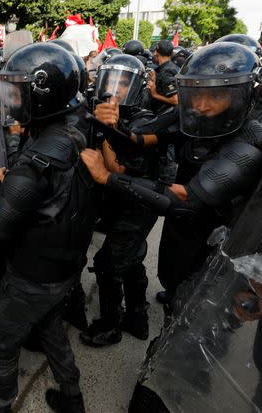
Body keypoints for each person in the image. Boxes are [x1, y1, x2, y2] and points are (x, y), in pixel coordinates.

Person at [0, 43, 99, 413]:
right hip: (64, 265)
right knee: (51, 329)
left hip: (34, 274)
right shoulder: (74, 132)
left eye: (18, 91)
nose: (12, 100)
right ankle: (72, 398)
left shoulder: (36, 161)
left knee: (1, 338)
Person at [81, 42, 262, 309]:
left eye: (217, 95)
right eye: (197, 93)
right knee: (176, 294)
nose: (202, 105)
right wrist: (111, 126)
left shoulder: (248, 144)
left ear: (242, 94)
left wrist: (107, 177)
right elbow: (143, 139)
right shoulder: (194, 120)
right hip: (188, 234)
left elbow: (185, 198)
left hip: (222, 252)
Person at [79, 53, 170, 348]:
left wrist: (110, 128)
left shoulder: (143, 120)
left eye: (123, 85)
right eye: (110, 82)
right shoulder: (100, 111)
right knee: (132, 259)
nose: (113, 91)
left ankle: (110, 325)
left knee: (108, 263)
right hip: (121, 201)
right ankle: (137, 317)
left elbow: (115, 169)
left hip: (137, 204)